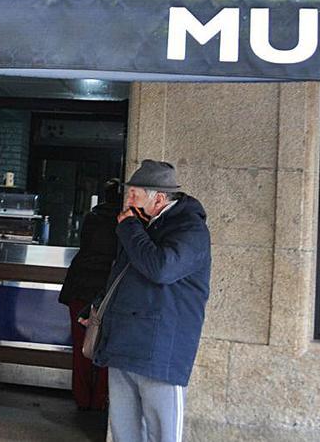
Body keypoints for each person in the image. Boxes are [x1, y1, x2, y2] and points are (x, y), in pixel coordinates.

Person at [91, 160, 211, 442]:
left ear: (158, 198)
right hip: (123, 342)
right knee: (125, 432)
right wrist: (98, 306)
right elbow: (122, 274)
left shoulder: (190, 230)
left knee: (162, 434)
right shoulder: (142, 226)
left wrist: (131, 227)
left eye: (134, 194)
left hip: (160, 350)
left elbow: (161, 269)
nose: (128, 201)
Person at [58, 178, 121, 410]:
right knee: (106, 348)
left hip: (80, 287)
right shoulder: (126, 222)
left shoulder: (91, 218)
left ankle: (82, 396)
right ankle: (101, 399)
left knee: (81, 345)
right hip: (107, 292)